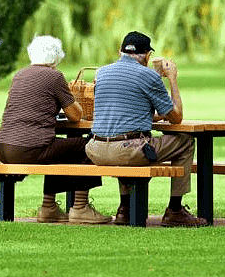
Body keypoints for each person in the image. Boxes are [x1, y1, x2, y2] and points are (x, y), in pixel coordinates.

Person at [85, 31, 207, 227]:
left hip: (95, 149)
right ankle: (175, 210)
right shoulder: (149, 75)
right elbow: (176, 117)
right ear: (148, 55)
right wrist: (172, 78)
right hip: (126, 150)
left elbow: (129, 111)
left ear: (120, 51)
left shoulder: (101, 73)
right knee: (184, 141)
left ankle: (125, 209)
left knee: (124, 142)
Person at [0, 36, 111, 224]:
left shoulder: (20, 74)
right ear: (56, 58)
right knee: (89, 146)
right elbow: (75, 115)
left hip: (2, 148)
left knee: (56, 149)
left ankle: (49, 208)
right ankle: (80, 208)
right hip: (27, 149)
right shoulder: (54, 76)